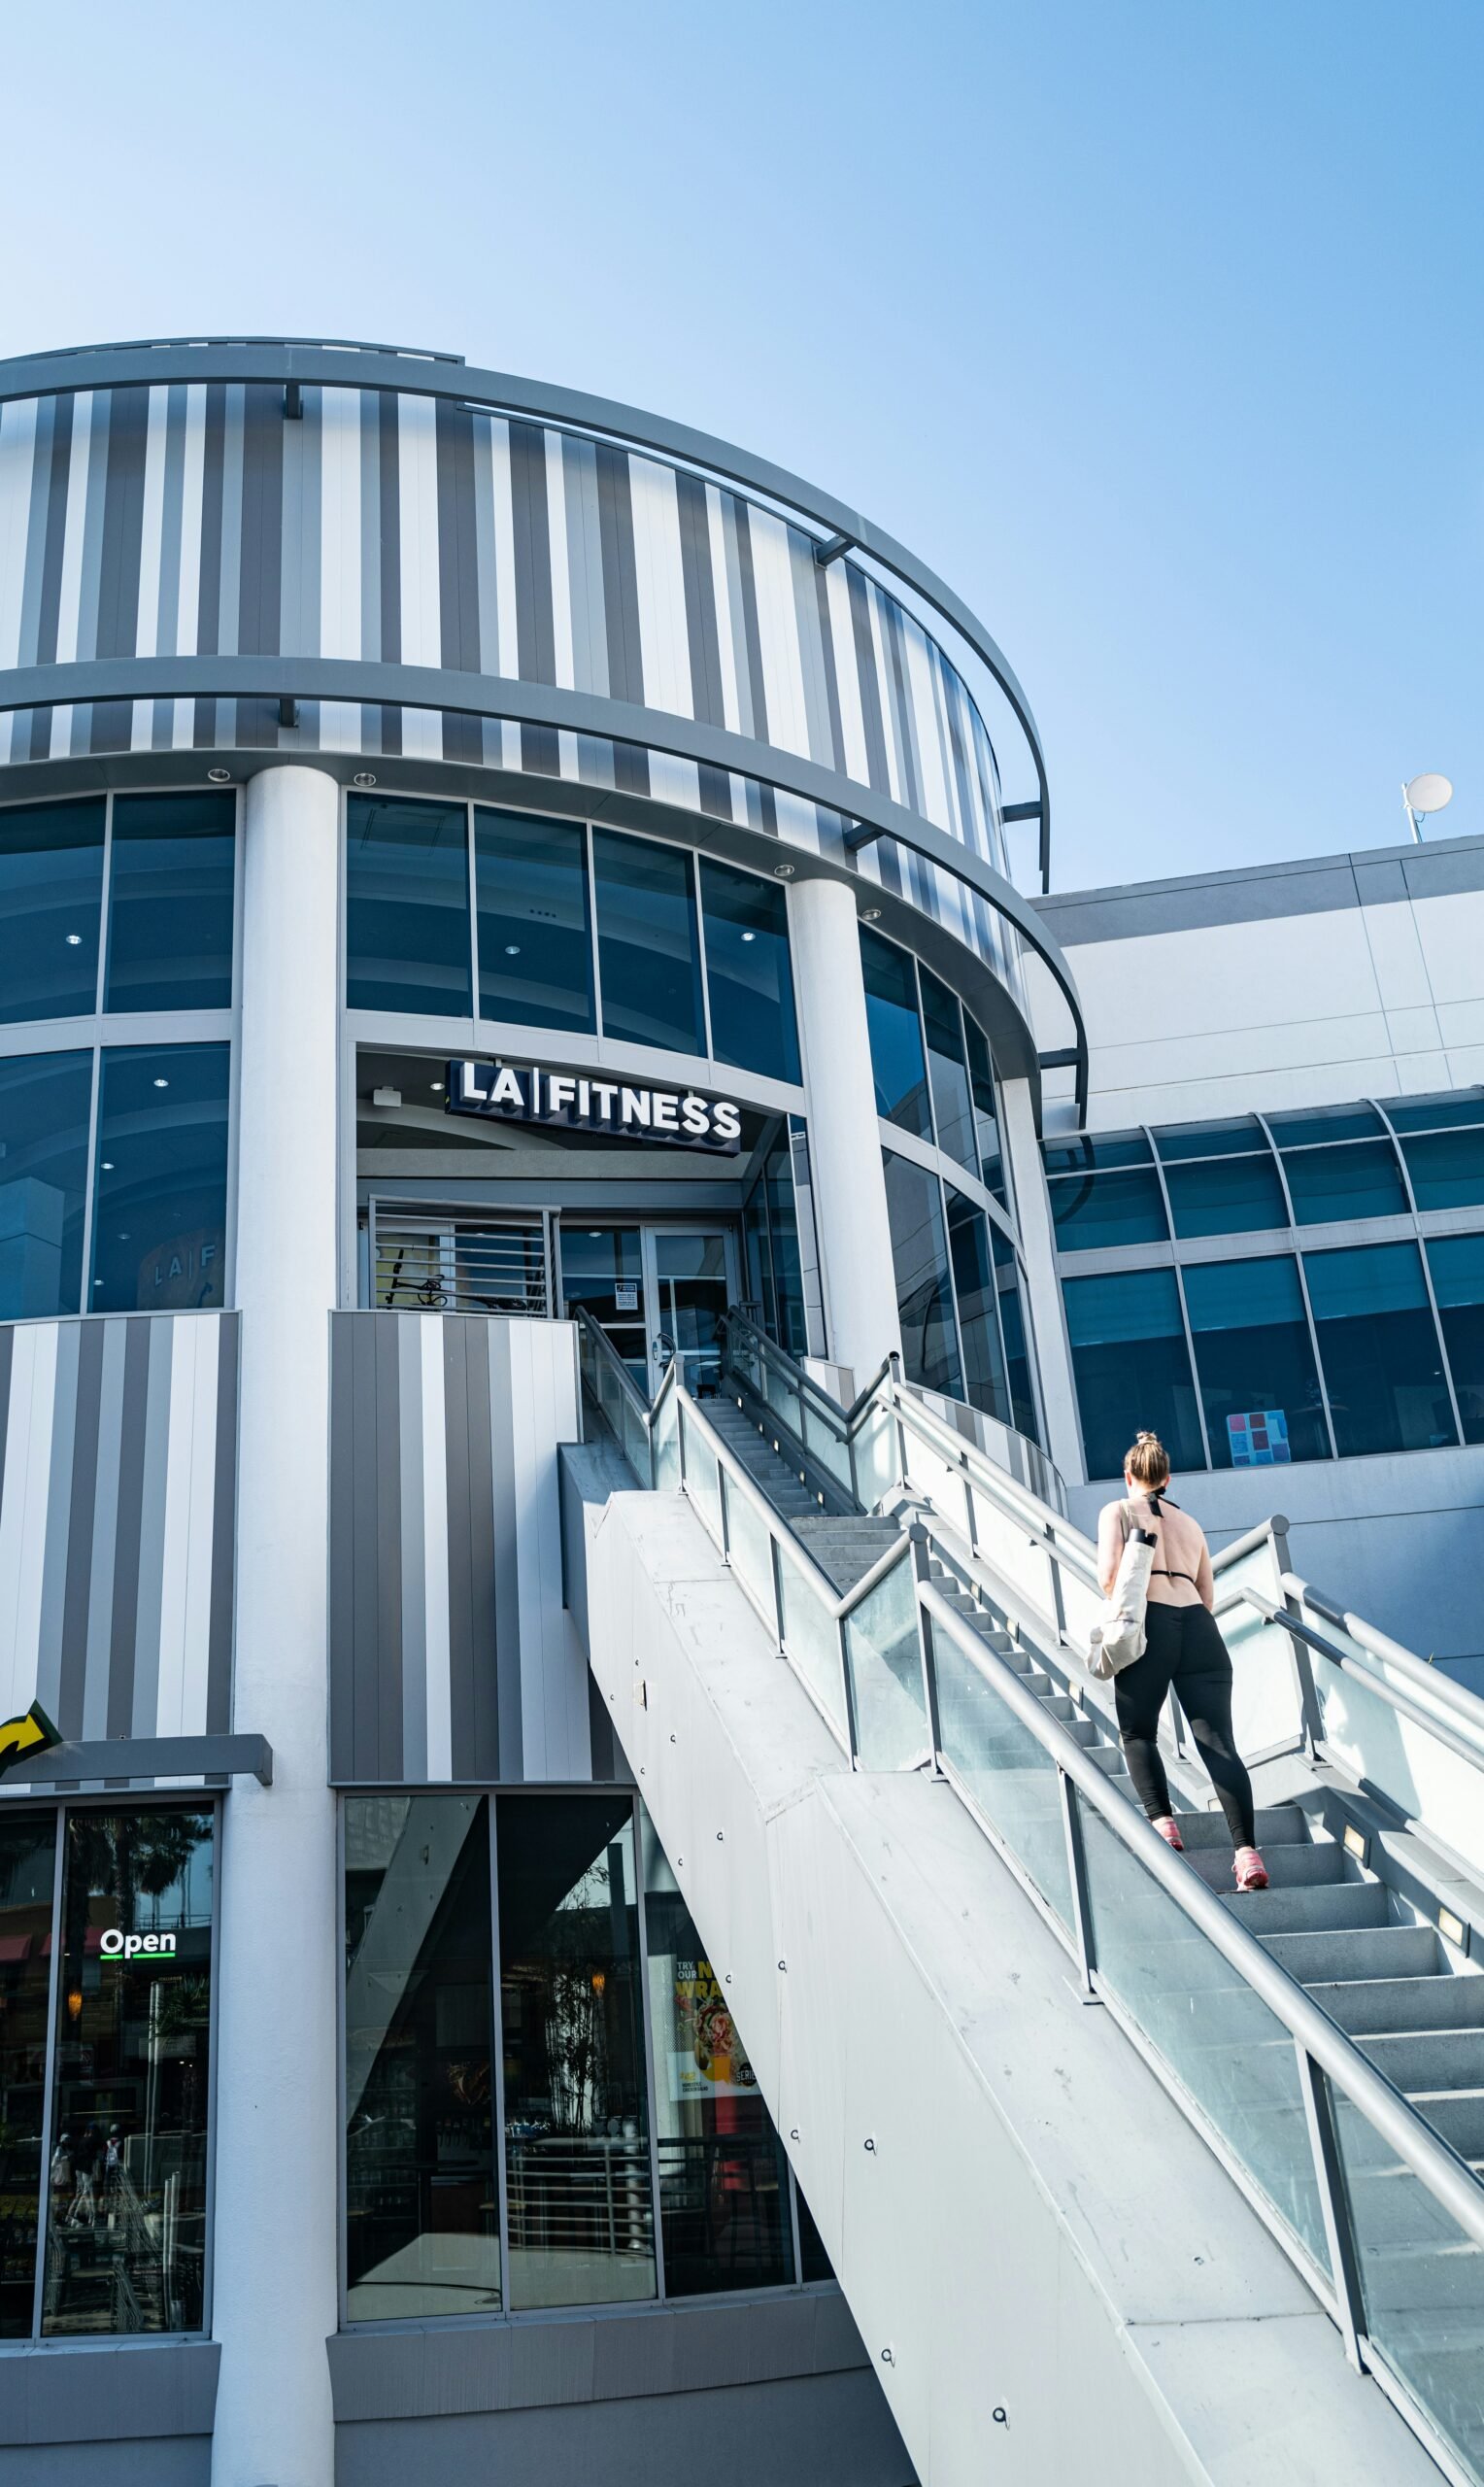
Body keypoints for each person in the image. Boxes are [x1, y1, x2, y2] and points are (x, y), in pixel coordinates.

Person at [1097, 1431, 1268, 1891]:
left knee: (1138, 1731)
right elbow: (1208, 1594)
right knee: (1218, 1743)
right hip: (1198, 1627)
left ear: (1128, 1475)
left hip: (1150, 1620)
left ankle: (1164, 1825)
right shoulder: (1191, 1524)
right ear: (1167, 1478)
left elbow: (1110, 1580)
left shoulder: (1116, 1511)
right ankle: (1247, 1853)